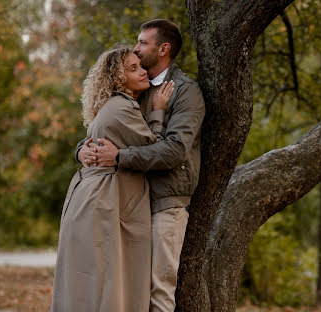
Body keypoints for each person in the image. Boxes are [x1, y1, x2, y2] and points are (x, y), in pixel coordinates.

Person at [77, 20, 206, 312]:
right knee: (129, 289)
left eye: (143, 43)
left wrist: (119, 157)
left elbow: (173, 151)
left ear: (164, 49)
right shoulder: (138, 86)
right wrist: (81, 150)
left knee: (159, 292)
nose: (136, 48)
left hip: (165, 204)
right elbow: (106, 128)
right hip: (130, 204)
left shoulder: (186, 93)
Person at [50, 47, 174, 312]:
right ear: (117, 79)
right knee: (106, 283)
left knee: (92, 284)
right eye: (133, 69)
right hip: (102, 203)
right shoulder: (121, 107)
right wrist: (159, 111)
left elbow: (99, 141)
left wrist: (81, 149)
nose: (143, 71)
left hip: (92, 200)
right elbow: (158, 149)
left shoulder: (113, 107)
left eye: (141, 66)